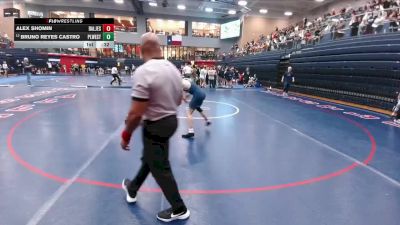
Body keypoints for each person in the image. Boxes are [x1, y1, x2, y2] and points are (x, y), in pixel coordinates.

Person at [120, 32, 190, 223]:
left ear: (141, 49)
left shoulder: (144, 71)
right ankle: (132, 188)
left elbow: (136, 113)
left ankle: (179, 208)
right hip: (171, 122)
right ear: (160, 48)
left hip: (155, 126)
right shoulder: (174, 70)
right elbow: (177, 100)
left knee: (159, 167)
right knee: (151, 158)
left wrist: (126, 134)